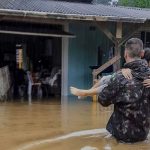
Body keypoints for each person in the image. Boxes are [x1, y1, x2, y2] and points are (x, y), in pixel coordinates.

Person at [98, 38, 150, 143]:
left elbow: (103, 100)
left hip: (122, 136)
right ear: (142, 53)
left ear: (125, 53)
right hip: (143, 135)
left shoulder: (119, 78)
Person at [70, 47, 150, 98]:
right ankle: (87, 92)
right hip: (133, 83)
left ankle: (86, 93)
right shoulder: (140, 66)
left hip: (136, 88)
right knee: (106, 78)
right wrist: (125, 70)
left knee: (110, 84)